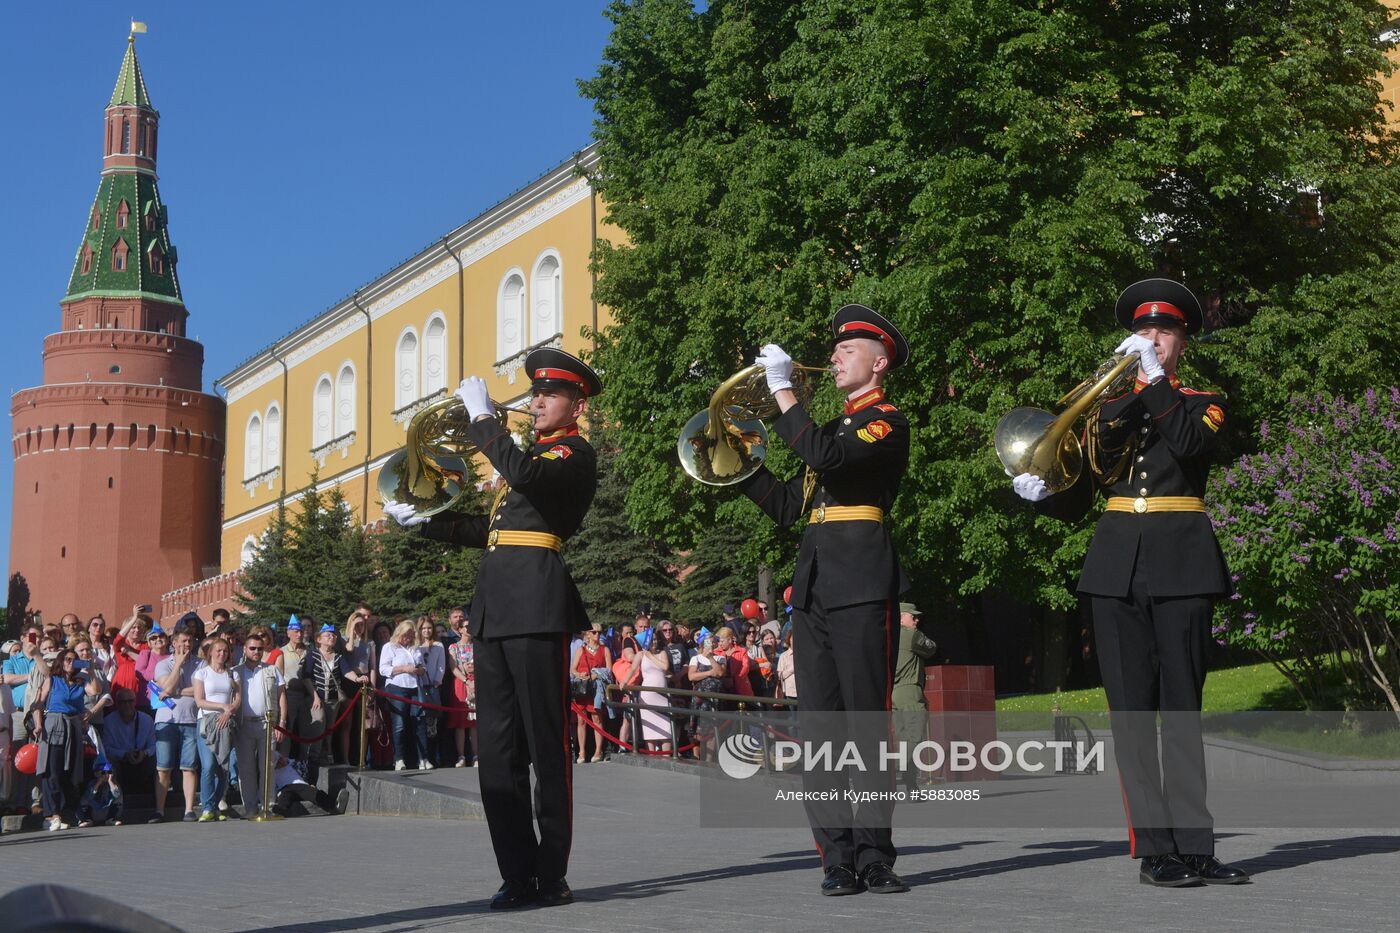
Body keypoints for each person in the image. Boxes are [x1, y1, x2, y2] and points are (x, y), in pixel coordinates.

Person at [1012, 278, 1248, 887]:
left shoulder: (1204, 399)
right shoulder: (1107, 409)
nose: (1151, 339)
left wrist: (1153, 385)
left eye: (1163, 332)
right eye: (1144, 331)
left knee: (1182, 712)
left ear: (1182, 343)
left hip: (1182, 564)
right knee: (1134, 717)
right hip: (1116, 569)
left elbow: (1192, 444)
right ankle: (1156, 851)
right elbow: (1087, 492)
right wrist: (1041, 495)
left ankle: (1197, 846)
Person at [385, 347, 601, 910]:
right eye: (535, 394)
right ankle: (515, 872)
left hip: (537, 607)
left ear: (575, 403)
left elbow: (524, 472)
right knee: (498, 753)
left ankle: (551, 873)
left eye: (548, 394)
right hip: (495, 612)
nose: (536, 402)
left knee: (548, 749)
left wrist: (483, 418)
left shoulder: (573, 456)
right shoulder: (524, 464)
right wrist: (424, 521)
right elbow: (489, 529)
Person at [737, 304, 912, 895]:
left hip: (861, 582)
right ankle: (835, 856)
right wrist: (737, 467)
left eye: (848, 349)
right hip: (813, 588)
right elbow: (792, 507)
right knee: (822, 733)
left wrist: (783, 392)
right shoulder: (834, 428)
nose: (835, 355)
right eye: (836, 349)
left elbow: (827, 458)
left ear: (879, 363)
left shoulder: (883, 421)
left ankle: (873, 855)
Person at [34, 648, 101, 831]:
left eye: (75, 660)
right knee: (52, 770)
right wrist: (39, 725)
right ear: (61, 662)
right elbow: (38, 704)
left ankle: (61, 812)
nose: (71, 663)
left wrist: (91, 669)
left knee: (70, 772)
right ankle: (51, 814)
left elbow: (95, 690)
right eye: (68, 659)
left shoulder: (80, 682)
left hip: (73, 726)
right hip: (55, 724)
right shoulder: (52, 680)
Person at [233, 631, 287, 818]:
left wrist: (282, 722)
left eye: (259, 649)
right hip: (244, 724)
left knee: (267, 766)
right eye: (252, 648)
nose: (256, 651)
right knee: (246, 768)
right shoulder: (235, 671)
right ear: (245, 649)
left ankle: (268, 806)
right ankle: (250, 808)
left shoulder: (272, 670)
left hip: (268, 724)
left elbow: (281, 696)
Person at [152, 629, 201, 823]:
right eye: (182, 641)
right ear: (173, 643)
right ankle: (159, 810)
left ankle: (189, 809)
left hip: (190, 720)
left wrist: (177, 690)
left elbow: (201, 690)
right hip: (167, 720)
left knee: (189, 767)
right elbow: (166, 688)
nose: (186, 645)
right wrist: (179, 664)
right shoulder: (163, 664)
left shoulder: (201, 664)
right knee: (163, 768)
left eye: (189, 641)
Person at [192, 638, 239, 822]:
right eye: (218, 650)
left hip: (226, 721)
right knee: (208, 765)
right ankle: (207, 807)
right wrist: (222, 707)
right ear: (210, 652)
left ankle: (218, 802)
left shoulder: (232, 674)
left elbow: (237, 698)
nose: (222, 654)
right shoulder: (201, 673)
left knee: (223, 767)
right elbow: (199, 700)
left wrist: (229, 711)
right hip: (207, 721)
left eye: (225, 651)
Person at [891, 604, 937, 791]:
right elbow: (931, 648)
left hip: (894, 693)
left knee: (903, 739)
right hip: (910, 691)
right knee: (916, 736)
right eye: (913, 617)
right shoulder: (911, 635)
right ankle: (895, 770)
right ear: (901, 618)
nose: (917, 620)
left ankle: (911, 786)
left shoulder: (888, 637)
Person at [378, 619, 430, 771]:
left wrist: (419, 670)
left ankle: (423, 759)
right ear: (399, 633)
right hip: (397, 687)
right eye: (405, 635)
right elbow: (384, 669)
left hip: (415, 687)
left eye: (411, 635)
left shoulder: (415, 648)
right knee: (399, 724)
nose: (408, 638)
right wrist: (404, 668)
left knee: (419, 722)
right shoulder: (389, 647)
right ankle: (399, 759)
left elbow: (422, 667)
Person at [302, 624, 354, 765]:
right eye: (328, 635)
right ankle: (313, 757)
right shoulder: (312, 655)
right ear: (319, 639)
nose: (331, 638)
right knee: (318, 725)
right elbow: (306, 677)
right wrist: (315, 696)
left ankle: (326, 756)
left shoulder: (338, 657)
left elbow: (347, 671)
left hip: (332, 699)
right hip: (316, 698)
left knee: (329, 730)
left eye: (333, 636)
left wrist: (358, 678)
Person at [268, 617, 310, 760]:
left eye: (301, 631)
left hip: (306, 695)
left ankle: (305, 762)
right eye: (296, 631)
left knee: (306, 730)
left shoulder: (309, 651)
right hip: (289, 694)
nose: (299, 634)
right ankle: (283, 761)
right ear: (288, 633)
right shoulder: (282, 652)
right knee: (287, 731)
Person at [625, 628, 672, 754]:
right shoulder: (640, 655)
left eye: (656, 639)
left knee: (665, 725)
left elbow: (665, 667)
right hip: (647, 693)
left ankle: (666, 754)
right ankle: (652, 753)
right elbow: (633, 669)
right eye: (652, 639)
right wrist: (625, 682)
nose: (654, 642)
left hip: (662, 694)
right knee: (649, 725)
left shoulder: (662, 653)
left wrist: (650, 655)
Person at [569, 627, 610, 763]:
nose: (597, 634)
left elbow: (609, 670)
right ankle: (581, 751)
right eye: (594, 632)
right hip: (582, 688)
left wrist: (596, 674)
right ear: (588, 634)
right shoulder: (581, 650)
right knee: (581, 720)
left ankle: (598, 751)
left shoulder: (605, 650)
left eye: (599, 631)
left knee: (597, 719)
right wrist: (579, 674)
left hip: (596, 689)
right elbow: (573, 669)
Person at [446, 617, 479, 767]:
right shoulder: (454, 647)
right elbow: (453, 666)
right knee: (461, 722)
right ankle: (461, 756)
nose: (469, 629)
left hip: (478, 682)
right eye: (466, 626)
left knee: (475, 722)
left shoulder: (477, 646)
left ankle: (476, 755)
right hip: (461, 682)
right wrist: (466, 680)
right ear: (460, 630)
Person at [414, 615, 447, 763]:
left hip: (432, 687)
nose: (426, 631)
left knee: (432, 723)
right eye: (423, 628)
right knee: (420, 722)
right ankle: (421, 756)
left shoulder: (438, 646)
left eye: (429, 628)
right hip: (418, 687)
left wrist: (436, 682)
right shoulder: (415, 646)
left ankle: (433, 756)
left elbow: (441, 666)